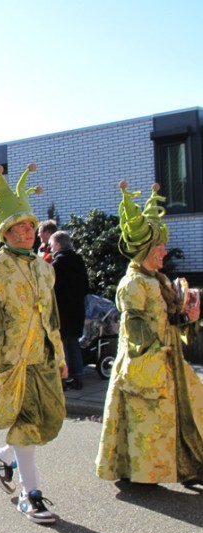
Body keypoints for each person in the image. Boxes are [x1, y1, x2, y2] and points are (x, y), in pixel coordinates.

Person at [0, 163, 67, 524]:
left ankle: (3, 457)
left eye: (29, 226)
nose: (27, 231)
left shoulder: (44, 267)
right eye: (19, 227)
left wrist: (61, 354)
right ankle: (30, 494)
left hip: (42, 360)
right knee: (24, 425)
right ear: (5, 232)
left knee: (42, 421)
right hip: (12, 364)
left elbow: (51, 317)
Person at [96, 182, 203, 486]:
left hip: (168, 360)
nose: (164, 252)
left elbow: (172, 316)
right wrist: (153, 357)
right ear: (144, 251)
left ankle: (188, 464)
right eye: (159, 249)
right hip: (146, 364)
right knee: (147, 420)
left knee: (188, 410)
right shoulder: (133, 285)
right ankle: (139, 472)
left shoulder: (159, 279)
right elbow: (136, 334)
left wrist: (188, 313)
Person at [50, 230, 90, 390]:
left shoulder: (57, 264)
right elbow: (86, 286)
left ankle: (63, 379)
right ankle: (78, 376)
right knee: (73, 343)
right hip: (77, 309)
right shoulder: (79, 261)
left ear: (58, 245)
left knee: (61, 345)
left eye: (52, 245)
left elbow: (52, 289)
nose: (51, 248)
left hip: (62, 310)